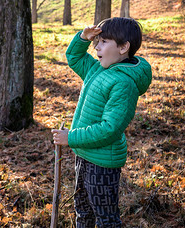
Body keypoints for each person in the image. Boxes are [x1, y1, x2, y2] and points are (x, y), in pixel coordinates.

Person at [52, 17, 152, 227]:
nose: (96, 46)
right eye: (96, 41)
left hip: (103, 163)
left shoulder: (124, 84)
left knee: (106, 218)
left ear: (124, 47)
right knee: (83, 210)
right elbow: (74, 57)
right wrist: (82, 38)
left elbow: (110, 129)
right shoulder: (98, 68)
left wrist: (71, 138)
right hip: (84, 155)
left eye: (104, 41)